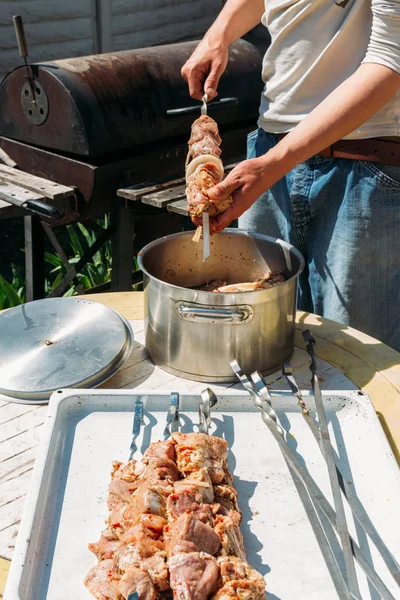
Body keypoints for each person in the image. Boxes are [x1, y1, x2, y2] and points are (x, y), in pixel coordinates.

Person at [181, 0, 400, 351]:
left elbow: (392, 60)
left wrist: (276, 162)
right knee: (263, 342)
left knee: (358, 357)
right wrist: (219, 34)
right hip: (270, 153)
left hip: (363, 168)